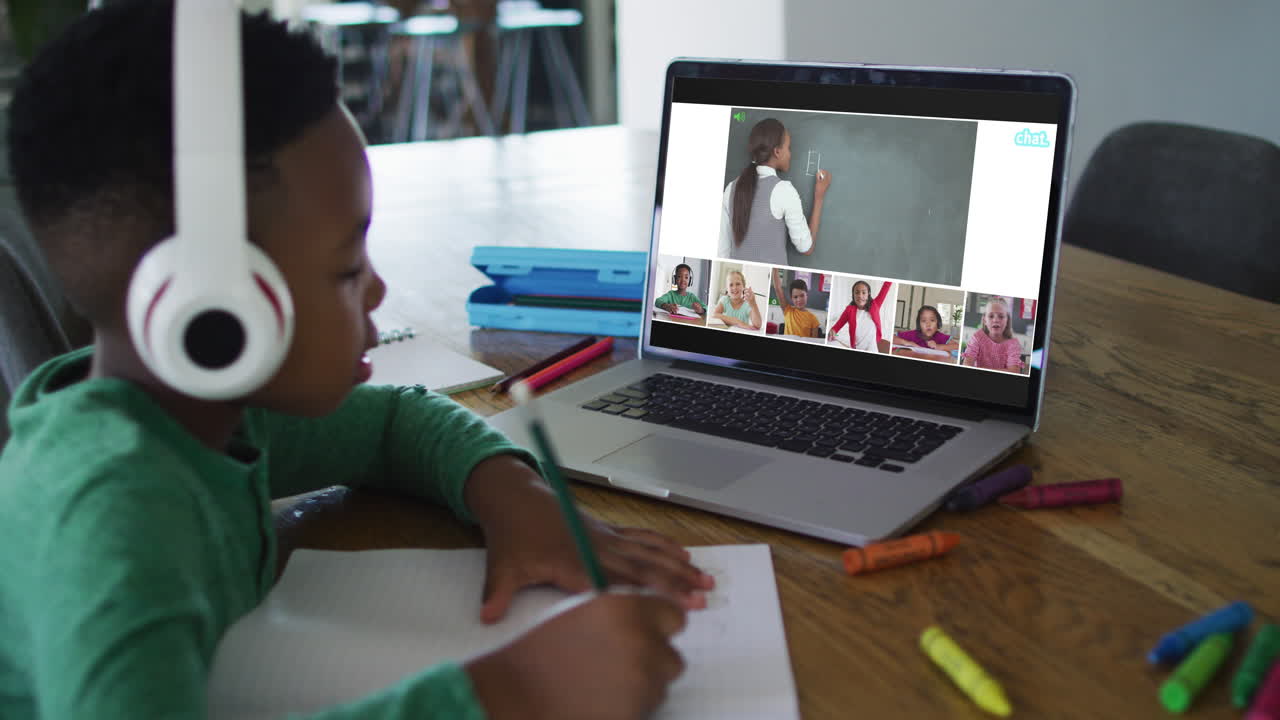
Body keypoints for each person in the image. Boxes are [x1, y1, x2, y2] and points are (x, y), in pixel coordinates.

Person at [0, 4, 712, 719]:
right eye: (346, 269)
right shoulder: (113, 522)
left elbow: (392, 422)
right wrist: (510, 694)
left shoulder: (204, 418)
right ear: (214, 311)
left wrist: (516, 500)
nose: (376, 288)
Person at [717, 118, 832, 265]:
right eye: (788, 148)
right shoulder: (783, 191)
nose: (790, 154)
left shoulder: (730, 189)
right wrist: (819, 197)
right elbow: (806, 248)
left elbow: (723, 251)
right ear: (777, 151)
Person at [961, 298, 1026, 373]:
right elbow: (967, 364)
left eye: (1001, 317)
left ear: (1007, 320)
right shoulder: (977, 338)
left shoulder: (1013, 344)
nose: (995, 320)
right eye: (991, 316)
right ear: (984, 320)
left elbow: (1014, 371)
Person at [828, 280, 892, 352]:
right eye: (857, 292)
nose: (860, 296)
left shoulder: (875, 305)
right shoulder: (849, 310)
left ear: (868, 294)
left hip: (872, 348)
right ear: (853, 294)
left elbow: (886, 286)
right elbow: (836, 327)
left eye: (864, 293)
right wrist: (832, 332)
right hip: (856, 348)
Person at [770, 268, 822, 338]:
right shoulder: (787, 310)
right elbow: (778, 289)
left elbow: (814, 341)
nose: (799, 299)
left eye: (802, 295)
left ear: (807, 295)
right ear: (792, 298)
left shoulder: (813, 319)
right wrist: (775, 269)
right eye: (795, 297)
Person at [893, 305, 959, 354]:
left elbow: (957, 346)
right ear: (919, 324)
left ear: (937, 323)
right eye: (924, 321)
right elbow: (892, 337)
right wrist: (907, 343)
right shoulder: (913, 334)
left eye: (932, 320)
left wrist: (938, 346)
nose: (928, 324)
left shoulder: (940, 336)